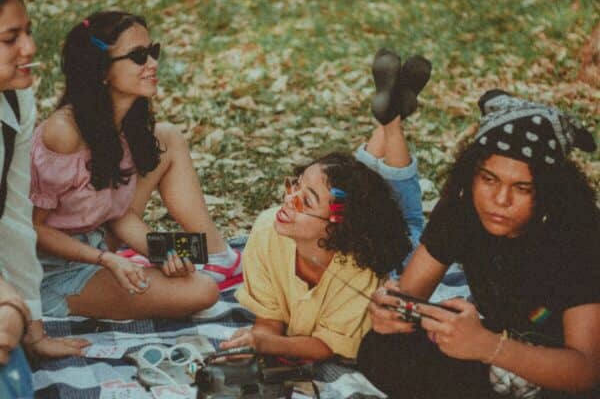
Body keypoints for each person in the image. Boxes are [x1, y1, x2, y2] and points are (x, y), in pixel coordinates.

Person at [358, 90, 600, 398]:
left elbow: (587, 371)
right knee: (381, 349)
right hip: (491, 356)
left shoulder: (579, 234)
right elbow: (410, 297)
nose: (501, 200)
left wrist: (488, 347)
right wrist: (390, 312)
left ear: (549, 192)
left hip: (558, 370)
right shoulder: (462, 210)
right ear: (470, 176)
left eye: (522, 188)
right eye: (489, 180)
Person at [29, 11, 241, 320]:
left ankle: (219, 255)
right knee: (204, 292)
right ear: (102, 71)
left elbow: (117, 214)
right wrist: (105, 259)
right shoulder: (64, 132)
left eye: (152, 52)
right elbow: (33, 229)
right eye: (139, 56)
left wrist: (161, 254)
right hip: (53, 270)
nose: (153, 64)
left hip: (98, 238)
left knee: (167, 136)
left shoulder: (125, 118)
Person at [220, 49, 429, 360]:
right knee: (357, 182)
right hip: (355, 216)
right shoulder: (266, 229)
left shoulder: (361, 269)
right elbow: (269, 321)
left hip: (400, 247)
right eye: (296, 184)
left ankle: (393, 120)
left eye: (306, 200)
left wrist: (267, 343)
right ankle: (392, 112)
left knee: (408, 211)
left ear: (335, 226)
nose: (288, 199)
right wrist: (255, 341)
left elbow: (325, 346)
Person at [0, 0, 89, 369]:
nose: (30, 49)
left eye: (29, 32)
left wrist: (33, 326)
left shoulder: (18, 100)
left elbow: (16, 218)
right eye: (10, 38)